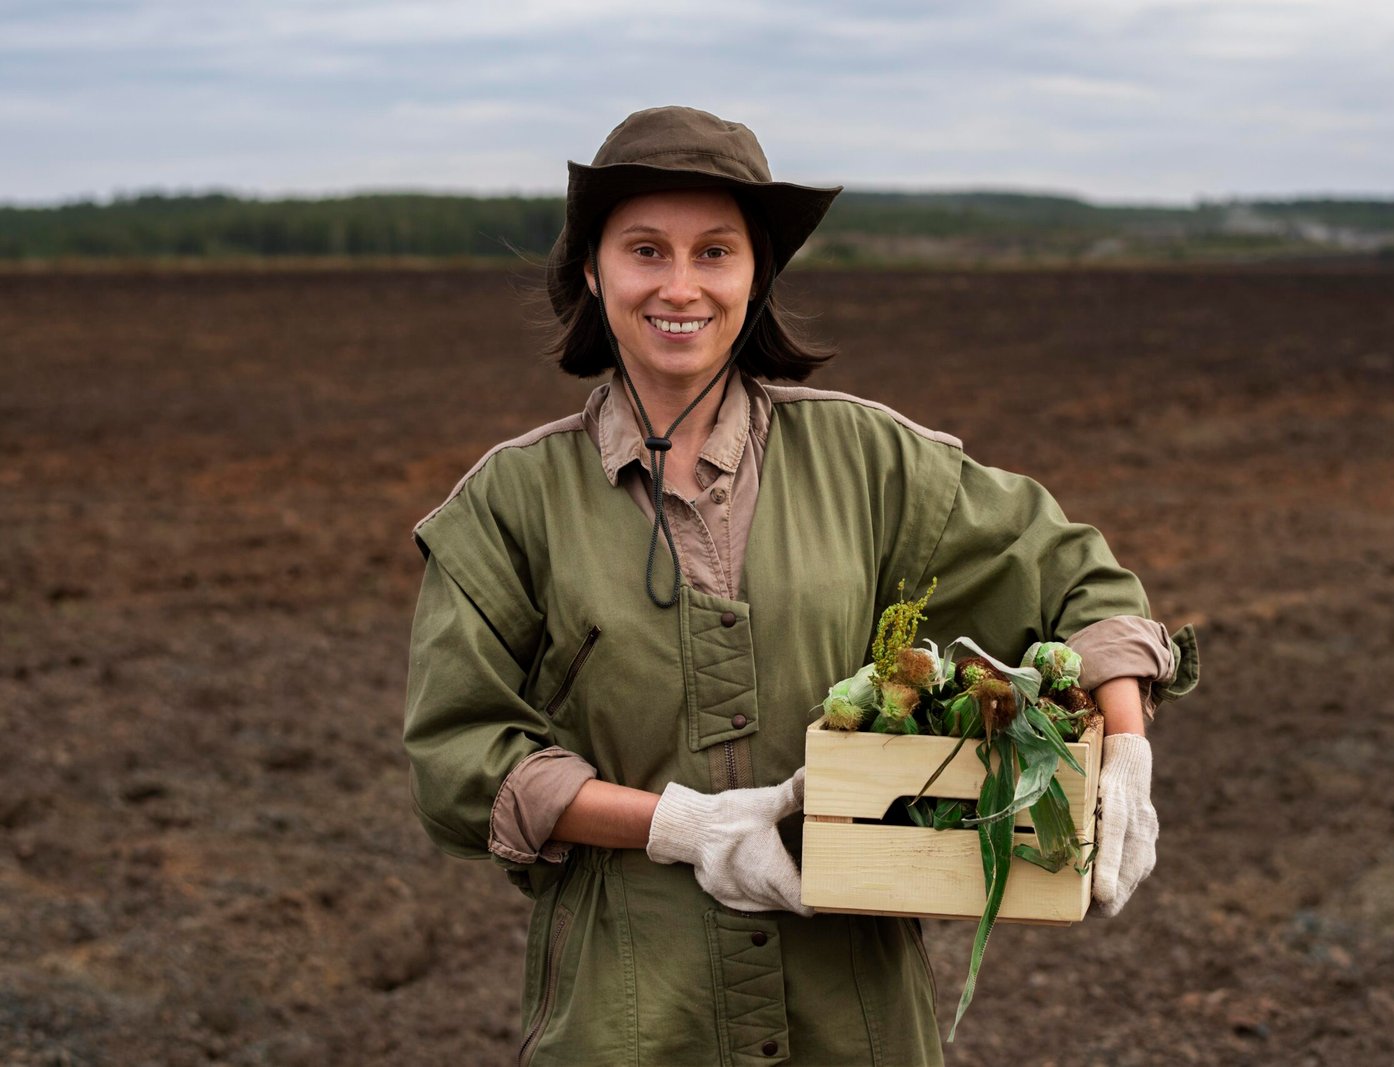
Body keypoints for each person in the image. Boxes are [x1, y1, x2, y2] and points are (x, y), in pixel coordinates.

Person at [402, 105, 1198, 1065]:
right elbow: (464, 756)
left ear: (757, 274)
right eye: (646, 250)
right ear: (592, 271)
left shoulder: (867, 460)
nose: (680, 285)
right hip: (627, 1018)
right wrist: (679, 826)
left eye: (716, 252)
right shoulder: (511, 502)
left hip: (854, 1018)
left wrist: (1125, 751)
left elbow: (1075, 574)